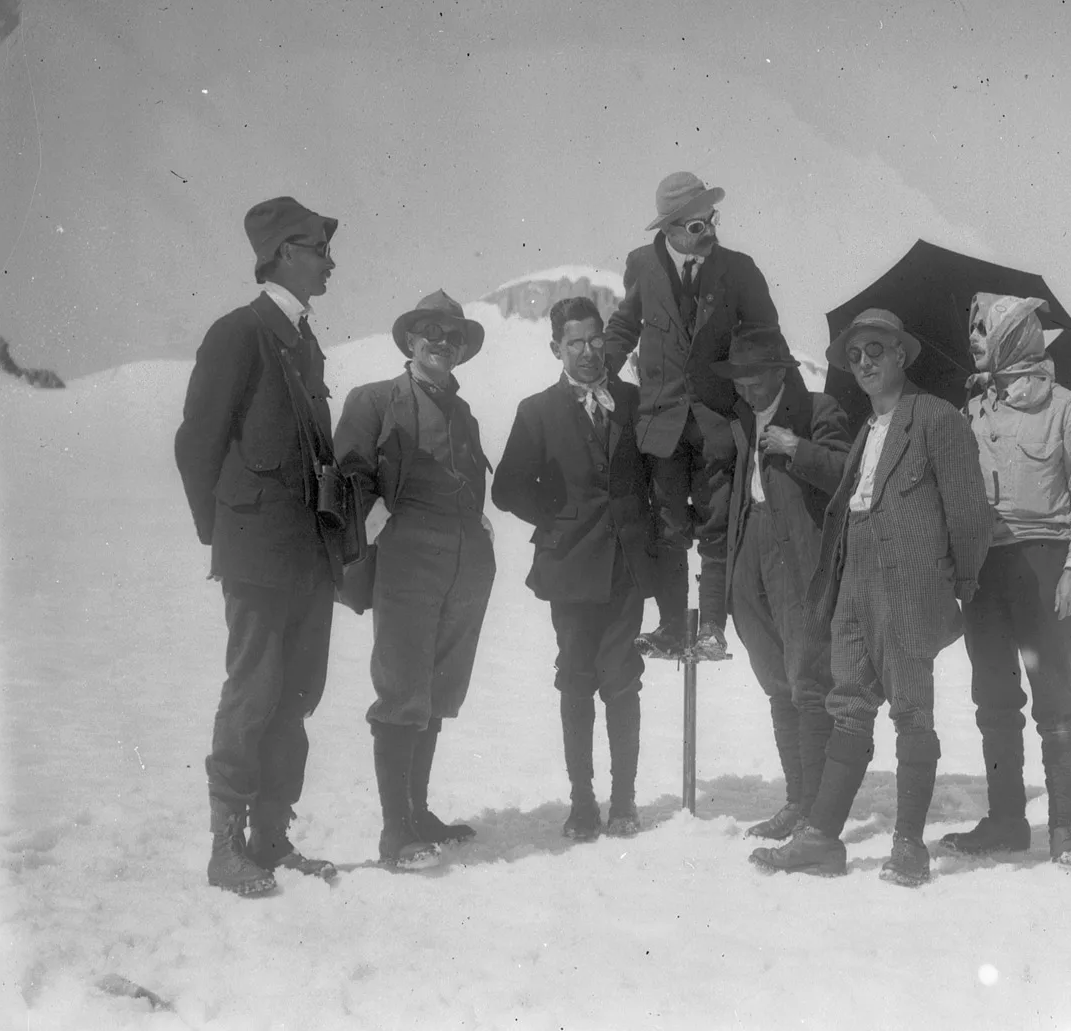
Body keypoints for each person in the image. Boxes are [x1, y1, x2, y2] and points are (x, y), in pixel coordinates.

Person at [752, 309, 995, 887]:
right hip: (854, 586)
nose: (863, 363)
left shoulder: (936, 419)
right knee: (848, 706)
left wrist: (955, 587)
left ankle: (908, 846)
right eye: (854, 356)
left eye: (875, 351)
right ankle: (821, 840)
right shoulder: (867, 429)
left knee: (911, 707)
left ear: (901, 355)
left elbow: (968, 513)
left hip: (912, 587)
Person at [175, 195, 347, 895]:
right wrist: (229, 532)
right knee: (253, 693)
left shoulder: (303, 341)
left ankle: (271, 837)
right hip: (258, 553)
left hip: (306, 555)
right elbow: (196, 444)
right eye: (319, 249)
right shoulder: (240, 334)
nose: (331, 262)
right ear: (282, 255)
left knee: (296, 695)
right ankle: (226, 848)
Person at [939, 293, 1071, 871]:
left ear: (1014, 335)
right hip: (983, 574)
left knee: (1055, 701)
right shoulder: (971, 411)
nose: (973, 339)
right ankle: (1007, 821)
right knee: (994, 698)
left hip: (1044, 568)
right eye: (972, 330)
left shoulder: (1066, 409)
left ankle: (1064, 830)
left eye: (983, 329)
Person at [333, 290, 497, 869]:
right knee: (402, 689)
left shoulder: (464, 411)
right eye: (429, 331)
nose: (441, 342)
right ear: (409, 340)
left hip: (465, 564)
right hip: (406, 561)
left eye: (452, 335)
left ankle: (418, 811)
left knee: (438, 690)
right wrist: (375, 543)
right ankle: (394, 833)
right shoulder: (375, 399)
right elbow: (350, 477)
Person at [493, 297, 659, 840]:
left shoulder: (634, 402)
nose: (588, 352)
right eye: (575, 343)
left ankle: (626, 803)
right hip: (569, 570)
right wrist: (559, 520)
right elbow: (508, 488)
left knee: (623, 681)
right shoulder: (537, 411)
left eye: (594, 340)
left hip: (626, 569)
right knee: (576, 680)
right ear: (556, 349)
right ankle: (583, 802)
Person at [602, 171, 780, 661]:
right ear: (672, 230)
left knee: (716, 525)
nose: (708, 231)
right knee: (668, 526)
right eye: (697, 225)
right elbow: (623, 324)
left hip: (717, 423)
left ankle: (712, 631)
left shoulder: (739, 270)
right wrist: (601, 371)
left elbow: (767, 335)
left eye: (711, 219)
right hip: (659, 422)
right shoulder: (642, 264)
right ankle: (673, 627)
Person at [713, 326, 852, 841]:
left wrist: (798, 449)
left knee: (809, 681)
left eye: (755, 377)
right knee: (775, 681)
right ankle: (797, 800)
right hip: (749, 550)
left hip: (799, 559)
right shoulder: (742, 420)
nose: (746, 387)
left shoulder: (819, 410)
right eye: (739, 378)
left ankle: (815, 810)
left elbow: (848, 475)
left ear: (780, 372)